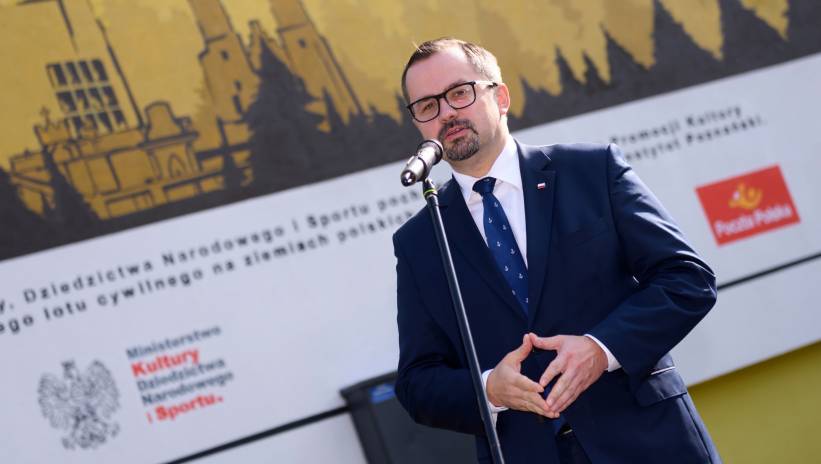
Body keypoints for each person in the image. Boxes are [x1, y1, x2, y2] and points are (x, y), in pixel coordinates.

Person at [393, 37, 721, 464]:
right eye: (427, 105)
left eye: (459, 93)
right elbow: (417, 383)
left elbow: (687, 279)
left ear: (501, 97)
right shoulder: (419, 240)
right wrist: (490, 389)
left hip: (648, 441)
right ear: (418, 124)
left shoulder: (592, 170)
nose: (447, 113)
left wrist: (601, 349)